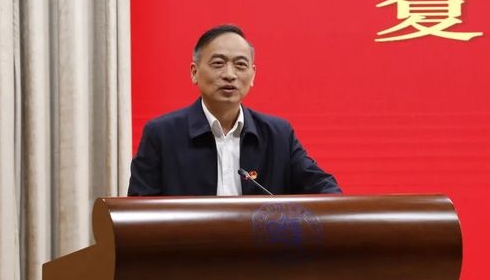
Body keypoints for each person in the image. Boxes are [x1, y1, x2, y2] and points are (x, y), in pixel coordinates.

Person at [128, 24, 341, 196]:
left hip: (259, 239)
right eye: (218, 63)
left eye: (240, 65)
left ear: (253, 75)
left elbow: (325, 189)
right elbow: (139, 212)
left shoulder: (278, 135)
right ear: (194, 72)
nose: (229, 75)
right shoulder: (161, 135)